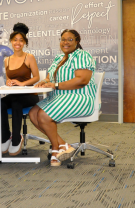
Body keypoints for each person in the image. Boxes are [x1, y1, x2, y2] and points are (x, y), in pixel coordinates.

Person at [28, 29, 97, 166]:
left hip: (79, 97)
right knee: (33, 113)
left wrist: (56, 85)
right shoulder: (59, 58)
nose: (65, 42)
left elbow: (82, 80)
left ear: (77, 41)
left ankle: (55, 149)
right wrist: (45, 81)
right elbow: (50, 76)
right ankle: (63, 145)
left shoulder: (82, 55)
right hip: (59, 96)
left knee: (43, 116)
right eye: (63, 39)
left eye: (70, 39)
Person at [1, 23, 40, 156]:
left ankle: (17, 139)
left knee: (16, 103)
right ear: (11, 41)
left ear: (24, 43)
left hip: (29, 94)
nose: (18, 43)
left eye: (21, 40)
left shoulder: (29, 57)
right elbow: (8, 78)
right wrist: (8, 81)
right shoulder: (6, 60)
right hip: (14, 94)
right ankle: (6, 137)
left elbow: (36, 78)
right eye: (15, 40)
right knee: (0, 103)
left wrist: (23, 84)